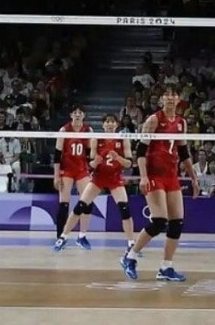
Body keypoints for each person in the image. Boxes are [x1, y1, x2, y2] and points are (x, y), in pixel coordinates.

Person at [121, 85, 199, 281]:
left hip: (171, 175)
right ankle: (130, 257)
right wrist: (144, 176)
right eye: (167, 95)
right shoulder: (154, 120)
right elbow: (140, 152)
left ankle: (166, 267)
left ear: (179, 98)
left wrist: (193, 178)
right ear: (162, 99)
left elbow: (183, 154)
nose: (170, 98)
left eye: (174, 94)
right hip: (155, 174)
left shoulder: (181, 123)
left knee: (177, 223)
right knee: (159, 221)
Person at [54, 114, 136, 252]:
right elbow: (90, 164)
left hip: (115, 179)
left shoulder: (123, 140)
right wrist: (95, 162)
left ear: (116, 125)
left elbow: (129, 163)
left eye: (112, 122)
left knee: (124, 210)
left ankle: (131, 243)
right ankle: (63, 237)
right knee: (80, 206)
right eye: (107, 122)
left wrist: (119, 158)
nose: (110, 125)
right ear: (103, 125)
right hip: (98, 178)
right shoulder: (96, 139)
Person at [54, 106, 95, 249]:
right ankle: (60, 237)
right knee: (63, 203)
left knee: (87, 202)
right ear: (71, 115)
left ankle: (82, 236)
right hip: (67, 170)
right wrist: (56, 175)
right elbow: (57, 155)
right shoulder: (64, 130)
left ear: (84, 115)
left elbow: (90, 152)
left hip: (82, 169)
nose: (77, 115)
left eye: (80, 113)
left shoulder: (88, 130)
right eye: (75, 113)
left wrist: (92, 169)